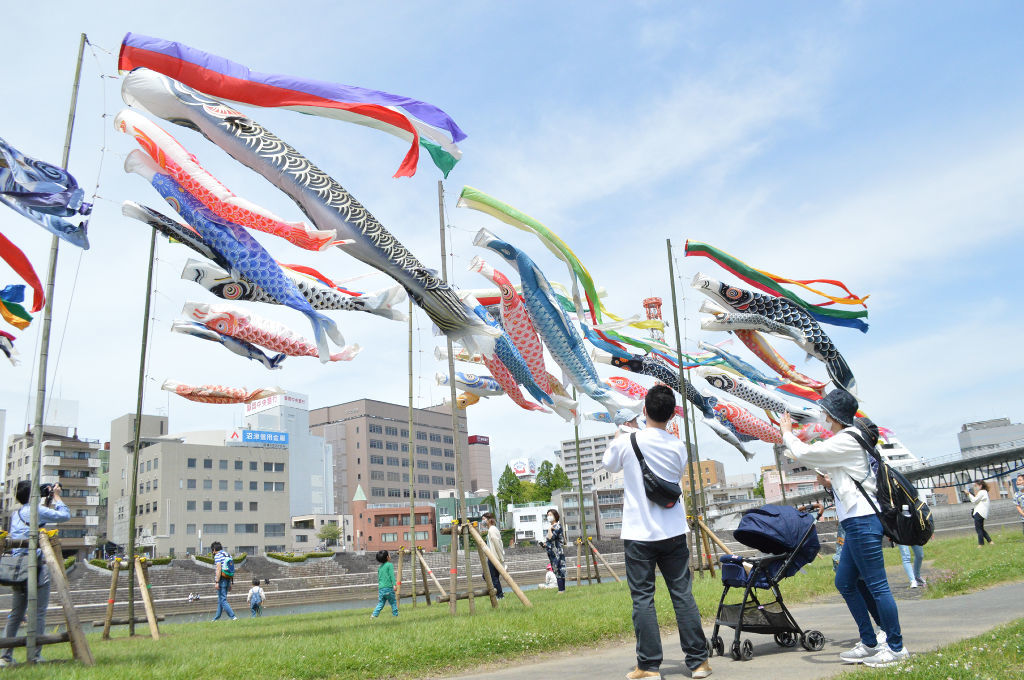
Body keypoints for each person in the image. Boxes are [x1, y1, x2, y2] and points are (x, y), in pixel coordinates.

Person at [780, 391, 908, 668]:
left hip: (862, 520)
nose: (824, 416)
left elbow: (804, 452)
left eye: (826, 412)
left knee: (877, 585)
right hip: (854, 520)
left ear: (835, 414)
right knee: (846, 582)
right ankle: (870, 641)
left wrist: (787, 432)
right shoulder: (847, 440)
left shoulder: (847, 439)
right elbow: (824, 463)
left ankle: (896, 647)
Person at [602, 385, 711, 680]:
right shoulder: (678, 445)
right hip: (674, 530)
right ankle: (699, 663)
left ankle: (649, 667)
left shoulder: (628, 441)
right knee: (682, 594)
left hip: (639, 533)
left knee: (643, 599)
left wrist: (619, 433)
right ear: (672, 413)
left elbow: (608, 464)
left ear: (645, 411)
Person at [0, 481, 70, 667]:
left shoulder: (16, 514)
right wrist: (56, 496)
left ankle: (5, 655)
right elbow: (65, 515)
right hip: (37, 566)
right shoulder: (36, 511)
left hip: (18, 568)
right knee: (38, 613)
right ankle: (35, 654)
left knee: (16, 614)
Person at [539, 509, 566, 592]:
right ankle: (561, 590)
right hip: (552, 552)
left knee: (559, 570)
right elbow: (549, 541)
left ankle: (561, 590)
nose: (548, 517)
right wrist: (544, 544)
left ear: (555, 516)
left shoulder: (557, 526)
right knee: (556, 570)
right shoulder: (552, 526)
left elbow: (552, 538)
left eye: (550, 515)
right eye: (547, 515)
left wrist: (549, 530)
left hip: (557, 552)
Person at [211, 541, 238, 621]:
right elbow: (231, 569)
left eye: (212, 550)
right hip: (228, 578)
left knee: (223, 600)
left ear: (214, 549)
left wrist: (217, 582)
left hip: (222, 579)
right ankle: (216, 618)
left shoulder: (217, 556)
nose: (212, 552)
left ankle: (233, 617)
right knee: (221, 600)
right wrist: (230, 583)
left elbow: (218, 569)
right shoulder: (228, 555)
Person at [965, 481, 993, 547]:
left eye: (976, 485)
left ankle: (981, 544)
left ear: (980, 486)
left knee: (978, 529)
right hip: (982, 513)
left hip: (979, 513)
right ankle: (990, 541)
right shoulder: (984, 492)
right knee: (981, 528)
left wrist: (968, 494)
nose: (975, 487)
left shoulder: (982, 492)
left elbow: (974, 500)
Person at [371, 550, 398, 618]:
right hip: (388, 588)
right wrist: (394, 585)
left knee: (381, 603)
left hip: (381, 589)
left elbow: (379, 578)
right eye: (389, 555)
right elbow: (392, 575)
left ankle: (373, 615)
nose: (390, 556)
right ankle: (395, 615)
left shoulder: (380, 568)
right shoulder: (389, 565)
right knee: (393, 602)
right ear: (387, 557)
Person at [483, 514, 505, 599]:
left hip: (494, 557)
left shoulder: (492, 530)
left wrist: (501, 558)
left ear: (489, 520)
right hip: (492, 556)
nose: (483, 522)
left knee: (491, 576)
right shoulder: (491, 530)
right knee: (493, 577)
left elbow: (497, 544)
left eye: (484, 519)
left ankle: (499, 594)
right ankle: (498, 594)